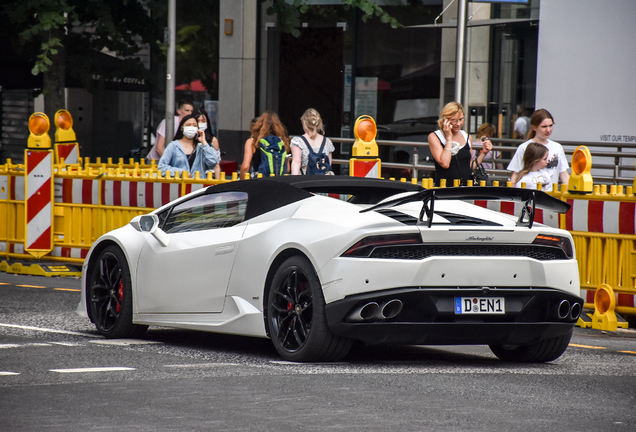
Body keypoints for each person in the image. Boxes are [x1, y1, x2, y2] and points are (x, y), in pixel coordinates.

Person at [428, 101, 492, 186]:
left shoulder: (467, 136)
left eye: (461, 119)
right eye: (454, 120)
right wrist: (449, 137)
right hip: (445, 189)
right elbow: (445, 163)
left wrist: (484, 153)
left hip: (465, 188)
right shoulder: (435, 137)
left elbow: (469, 167)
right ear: (445, 120)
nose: (458, 124)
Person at [507, 108, 569, 187]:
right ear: (534, 127)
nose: (548, 130)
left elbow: (564, 174)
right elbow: (515, 175)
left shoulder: (557, 147)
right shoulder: (524, 147)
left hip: (551, 195)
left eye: (550, 126)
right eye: (544, 127)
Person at [240, 111, 291, 178]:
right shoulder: (282, 142)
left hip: (260, 182)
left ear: (260, 124)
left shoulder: (253, 142)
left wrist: (241, 182)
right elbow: (287, 169)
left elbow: (245, 167)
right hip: (278, 182)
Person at [290, 108, 335, 175]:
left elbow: (297, 162)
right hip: (324, 180)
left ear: (304, 123)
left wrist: (293, 179)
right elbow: (328, 164)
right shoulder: (327, 142)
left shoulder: (297, 141)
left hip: (306, 180)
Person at [194, 108, 222, 179]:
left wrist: (217, 183)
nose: (200, 123)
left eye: (203, 121)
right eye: (198, 121)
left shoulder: (213, 140)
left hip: (209, 177)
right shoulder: (189, 140)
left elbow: (217, 165)